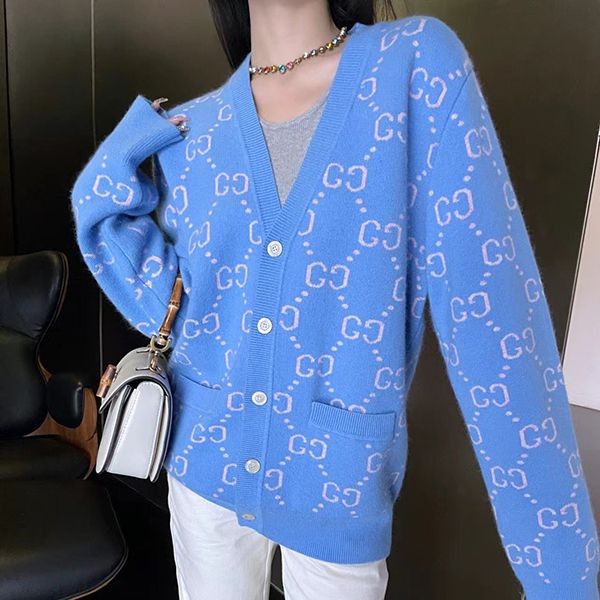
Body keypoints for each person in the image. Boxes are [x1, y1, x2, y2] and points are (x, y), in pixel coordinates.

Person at [69, 1, 600, 599]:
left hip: (338, 482)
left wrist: (564, 580)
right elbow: (151, 272)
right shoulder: (200, 129)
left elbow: (497, 329)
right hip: (202, 468)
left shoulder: (412, 69)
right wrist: (145, 131)